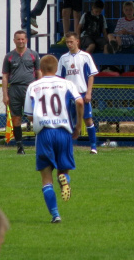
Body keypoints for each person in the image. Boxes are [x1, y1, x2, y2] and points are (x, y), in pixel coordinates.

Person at [24, 55, 84, 223]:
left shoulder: (33, 86)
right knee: (64, 170)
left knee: (46, 177)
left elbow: (29, 116)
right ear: (57, 69)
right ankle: (65, 179)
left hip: (44, 132)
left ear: (41, 70)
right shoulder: (67, 83)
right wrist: (78, 125)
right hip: (63, 131)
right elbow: (80, 103)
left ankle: (55, 214)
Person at [57, 32, 99, 153]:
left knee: (88, 119)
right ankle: (68, 147)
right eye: (67, 42)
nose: (69, 44)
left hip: (82, 93)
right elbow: (60, 77)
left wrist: (89, 92)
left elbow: (91, 75)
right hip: (68, 95)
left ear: (77, 41)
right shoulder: (63, 58)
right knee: (67, 121)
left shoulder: (86, 56)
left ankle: (93, 146)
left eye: (71, 42)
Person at [2, 30, 42, 154]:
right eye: (18, 39)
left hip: (30, 89)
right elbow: (5, 76)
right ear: (14, 41)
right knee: (16, 118)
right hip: (14, 89)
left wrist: (40, 89)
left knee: (34, 117)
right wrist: (5, 95)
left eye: (22, 39)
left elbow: (39, 72)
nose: (20, 41)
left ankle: (40, 143)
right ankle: (20, 146)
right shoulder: (9, 56)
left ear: (26, 40)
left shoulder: (33, 54)